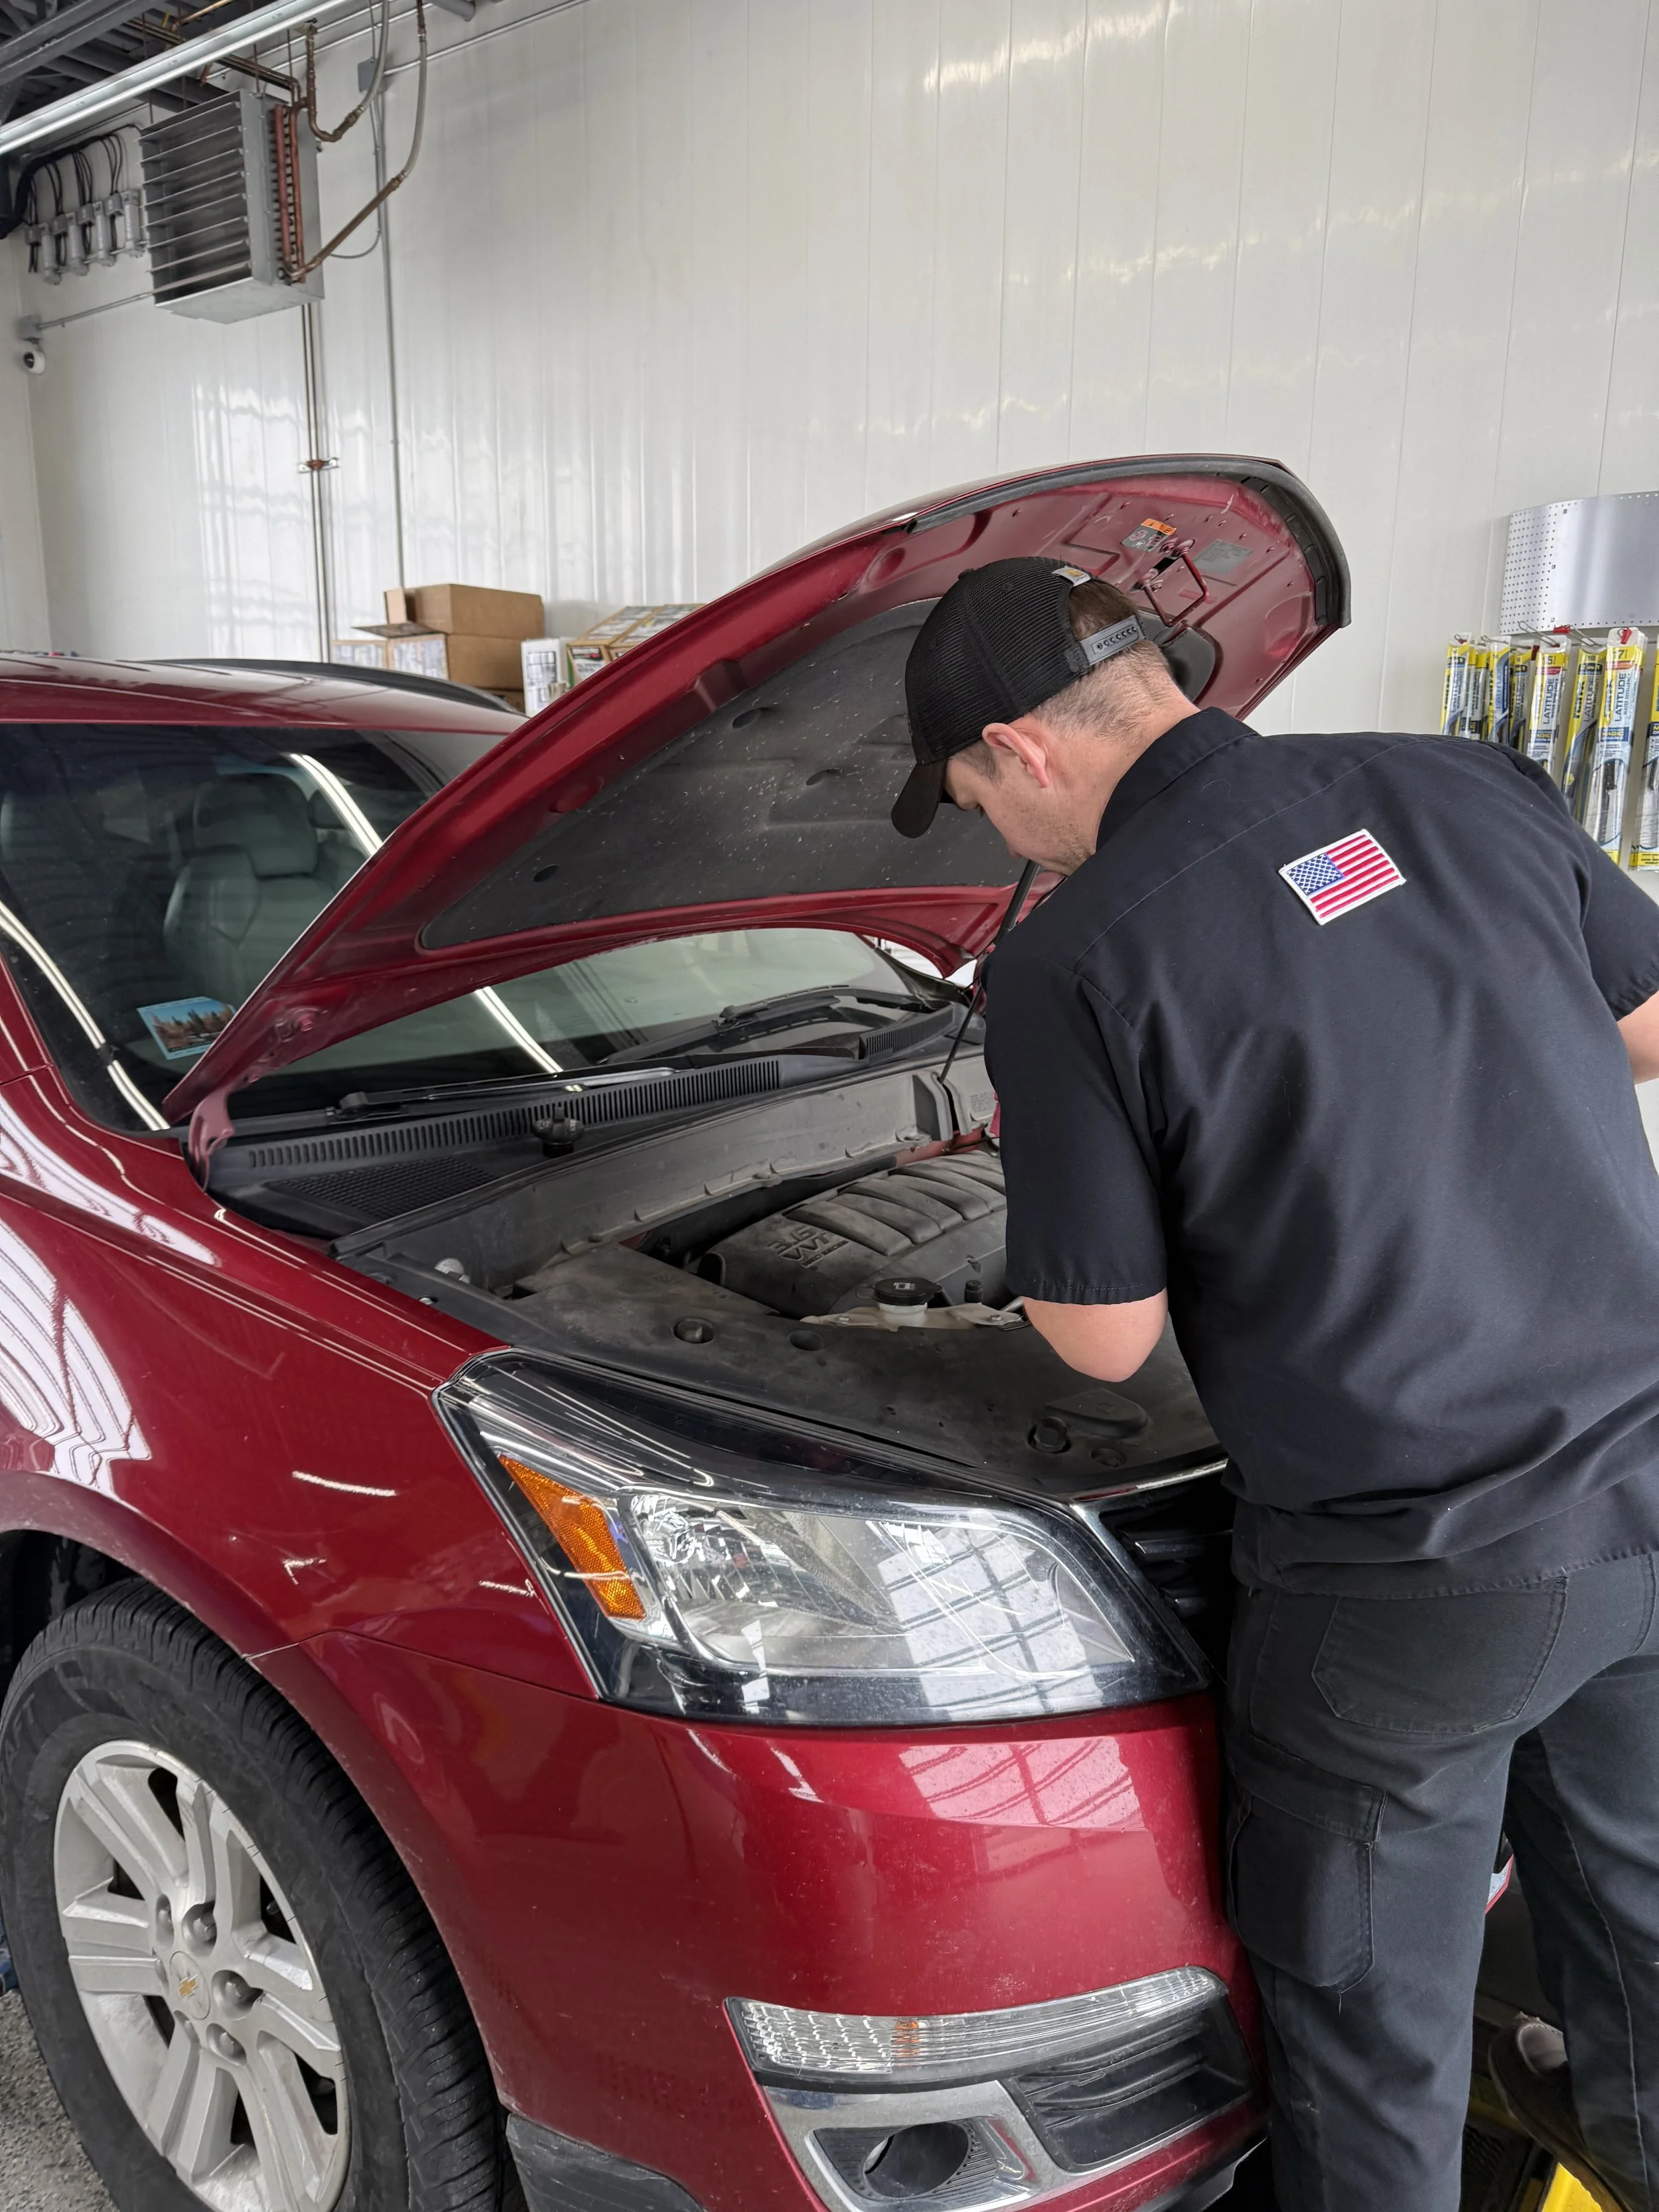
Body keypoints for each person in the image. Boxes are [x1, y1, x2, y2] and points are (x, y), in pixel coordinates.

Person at [891, 557, 1659, 2212]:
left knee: (1372, 2038)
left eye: (968, 800)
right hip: (1643, 1502)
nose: (995, 842)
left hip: (1405, 1588)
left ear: (1021, 749)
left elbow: (1099, 1336)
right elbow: (1650, 1021)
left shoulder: (1067, 955)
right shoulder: (1456, 780)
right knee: (1641, 1937)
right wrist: (1438, 1084)